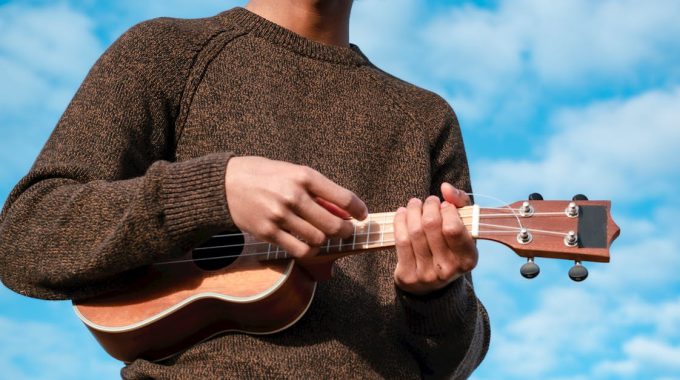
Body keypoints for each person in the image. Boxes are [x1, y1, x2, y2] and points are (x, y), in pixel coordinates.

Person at [0, 0, 489, 378]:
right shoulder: (162, 52)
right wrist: (215, 189)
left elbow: (454, 362)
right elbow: (25, 238)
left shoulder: (427, 119)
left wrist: (436, 295)